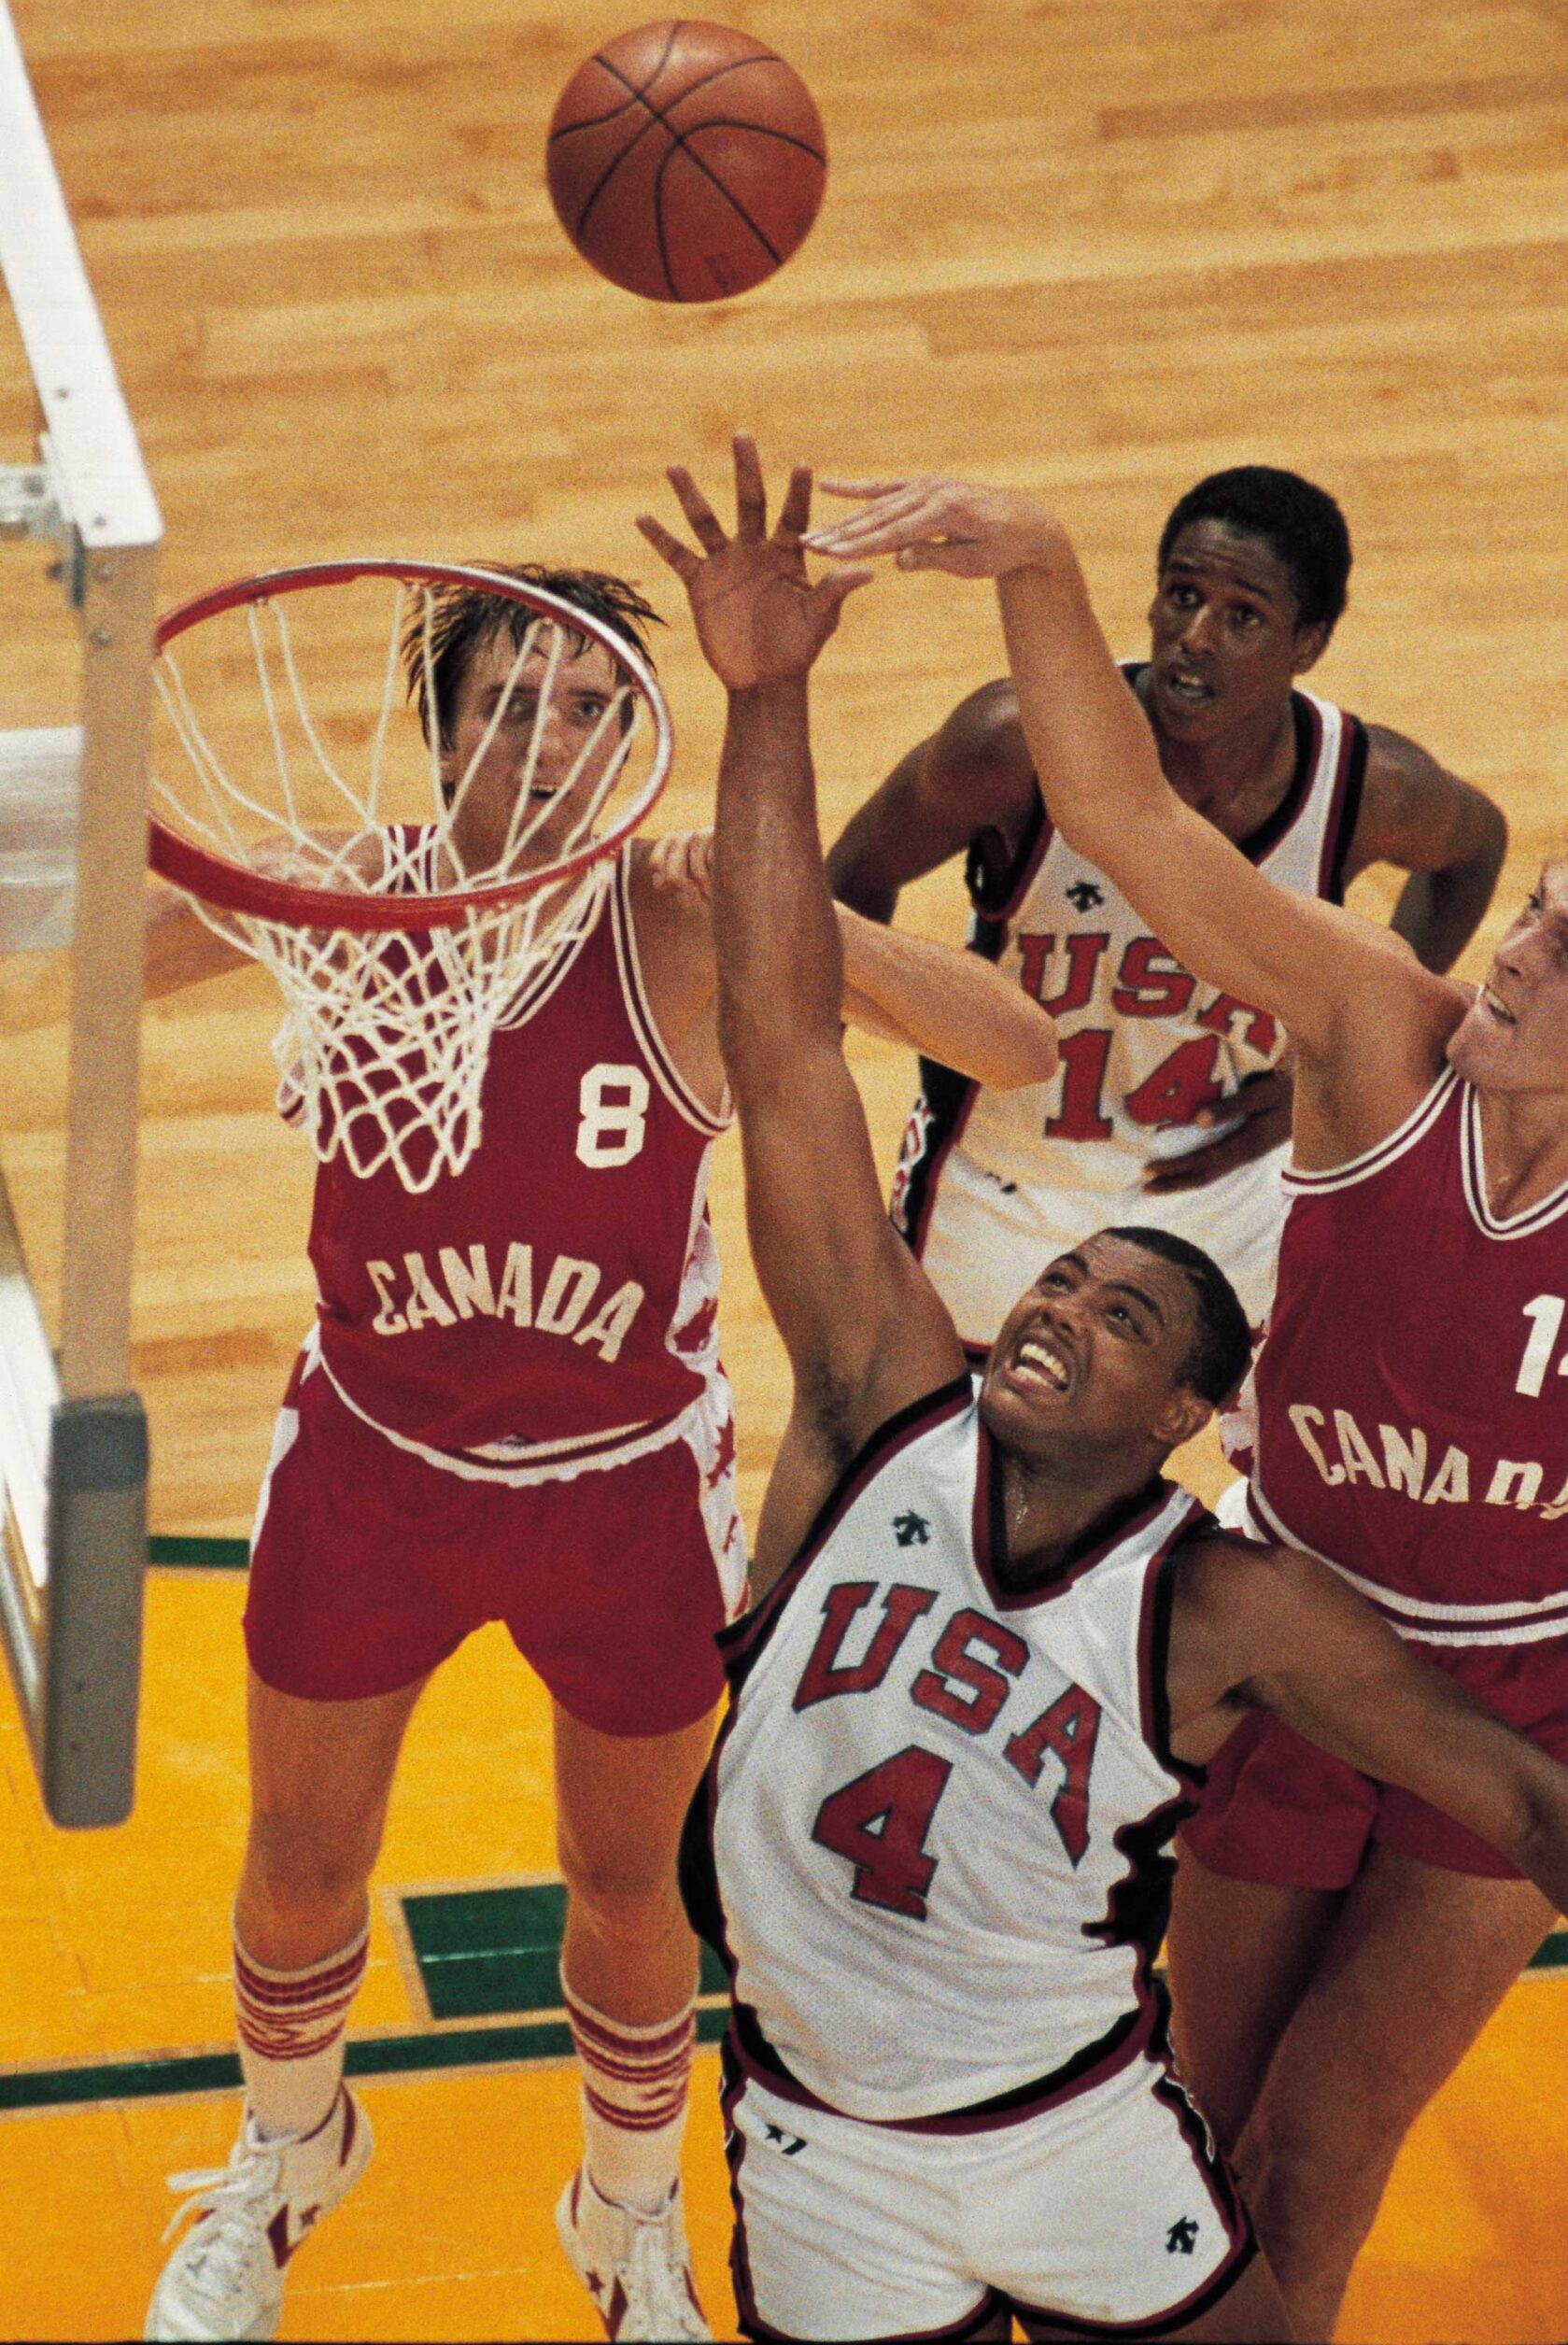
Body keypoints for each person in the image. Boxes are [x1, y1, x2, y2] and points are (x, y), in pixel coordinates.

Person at [140, 559, 1059, 2345]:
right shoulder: (347, 900)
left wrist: (783, 900)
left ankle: (626, 2219)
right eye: (512, 705)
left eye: (586, 709)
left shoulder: (681, 927)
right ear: (442, 741)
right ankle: (289, 2152)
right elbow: (75, 961)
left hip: (621, 1488)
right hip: (373, 1465)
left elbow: (1011, 1046)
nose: (552, 741)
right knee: (302, 1860)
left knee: (629, 1884)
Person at [802, 467, 1568, 2340]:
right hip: (1288, 1645)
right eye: (1536, 911)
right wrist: (1038, 565)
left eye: (1561, 950)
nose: (1512, 945)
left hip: (1512, 1690)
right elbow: (1127, 818)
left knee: (1323, 2153)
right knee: (1195, 2140)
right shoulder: (1376, 1028)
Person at [824, 466, 1505, 1344]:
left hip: (1225, 1196)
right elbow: (843, 884)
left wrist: (1335, 1061)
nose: (1194, 637)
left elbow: (1473, 853)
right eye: (1182, 595)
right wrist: (819, 1077)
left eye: (1242, 615)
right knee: (942, 1422)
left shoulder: (1366, 787)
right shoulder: (1011, 744)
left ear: (1306, 643)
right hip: (1001, 1179)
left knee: (1231, 1417)